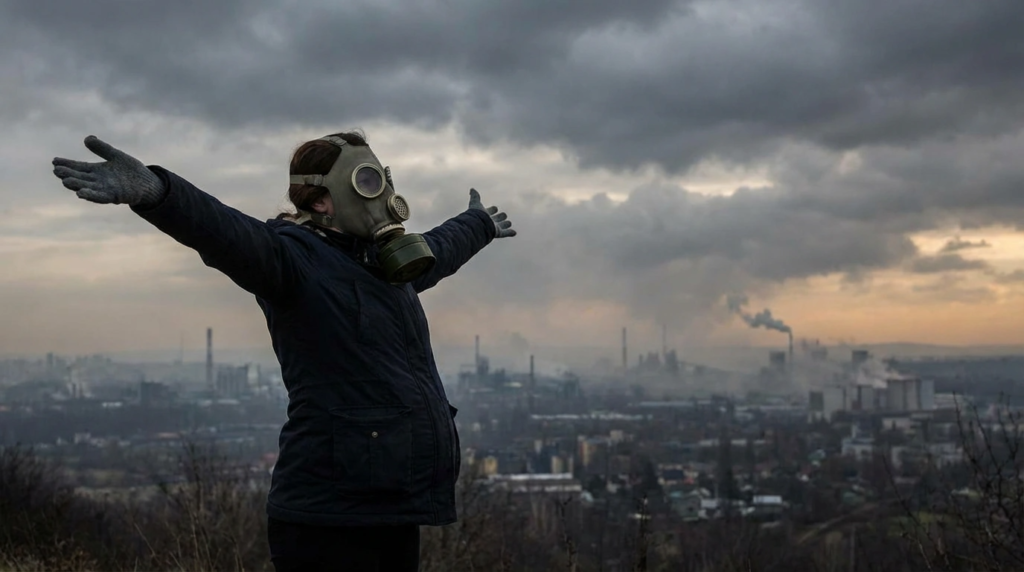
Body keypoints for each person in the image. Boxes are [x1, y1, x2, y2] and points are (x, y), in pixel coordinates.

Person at [51, 132, 516, 571]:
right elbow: (224, 231)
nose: (381, 195)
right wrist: (158, 192)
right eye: (366, 182)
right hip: (327, 517)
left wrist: (477, 224)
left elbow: (436, 249)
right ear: (320, 199)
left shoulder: (382, 266)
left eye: (383, 179)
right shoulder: (292, 260)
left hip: (390, 504)